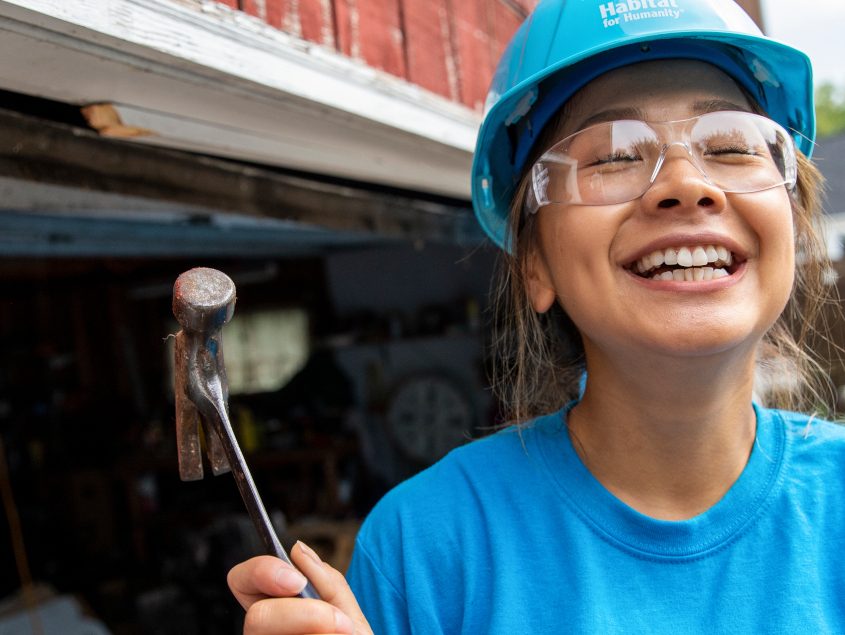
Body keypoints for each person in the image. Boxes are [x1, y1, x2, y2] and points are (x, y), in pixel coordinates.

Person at [227, 0, 845, 632]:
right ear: (536, 266)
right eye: (613, 155)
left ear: (793, 224)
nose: (686, 184)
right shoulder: (428, 546)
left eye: (731, 145)